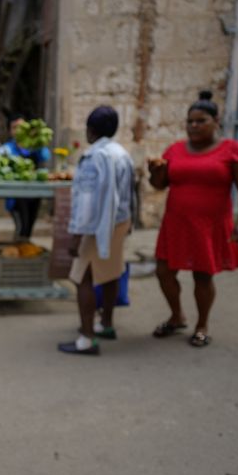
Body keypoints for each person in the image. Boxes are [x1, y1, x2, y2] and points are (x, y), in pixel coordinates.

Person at [148, 91, 238, 347]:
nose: (194, 126)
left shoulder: (233, 150)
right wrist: (155, 172)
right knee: (163, 271)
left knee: (202, 276)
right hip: (176, 224)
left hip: (209, 225)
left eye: (201, 121)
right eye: (190, 122)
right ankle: (177, 316)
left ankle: (202, 324)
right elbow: (159, 185)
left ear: (216, 121)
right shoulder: (174, 150)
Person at [58, 105, 134, 355]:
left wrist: (76, 236)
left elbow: (87, 203)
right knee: (110, 274)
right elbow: (132, 192)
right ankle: (106, 323)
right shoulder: (121, 153)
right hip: (119, 222)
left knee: (83, 278)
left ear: (91, 130)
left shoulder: (94, 157)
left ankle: (87, 338)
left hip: (96, 226)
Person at [1, 115, 51, 239]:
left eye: (21, 127)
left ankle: (24, 248)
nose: (18, 130)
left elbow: (46, 156)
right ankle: (19, 248)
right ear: (9, 131)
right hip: (16, 196)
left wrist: (38, 143)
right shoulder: (8, 148)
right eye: (14, 127)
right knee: (21, 226)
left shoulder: (34, 147)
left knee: (29, 227)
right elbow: (1, 158)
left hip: (34, 194)